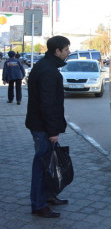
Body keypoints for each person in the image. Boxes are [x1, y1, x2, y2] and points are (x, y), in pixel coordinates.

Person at [25, 36, 71, 218]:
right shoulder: (48, 71)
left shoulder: (46, 66)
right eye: (66, 49)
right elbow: (47, 104)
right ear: (57, 51)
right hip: (43, 127)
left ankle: (48, 196)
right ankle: (39, 205)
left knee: (48, 164)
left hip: (41, 124)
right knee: (43, 166)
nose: (69, 52)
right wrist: (52, 132)